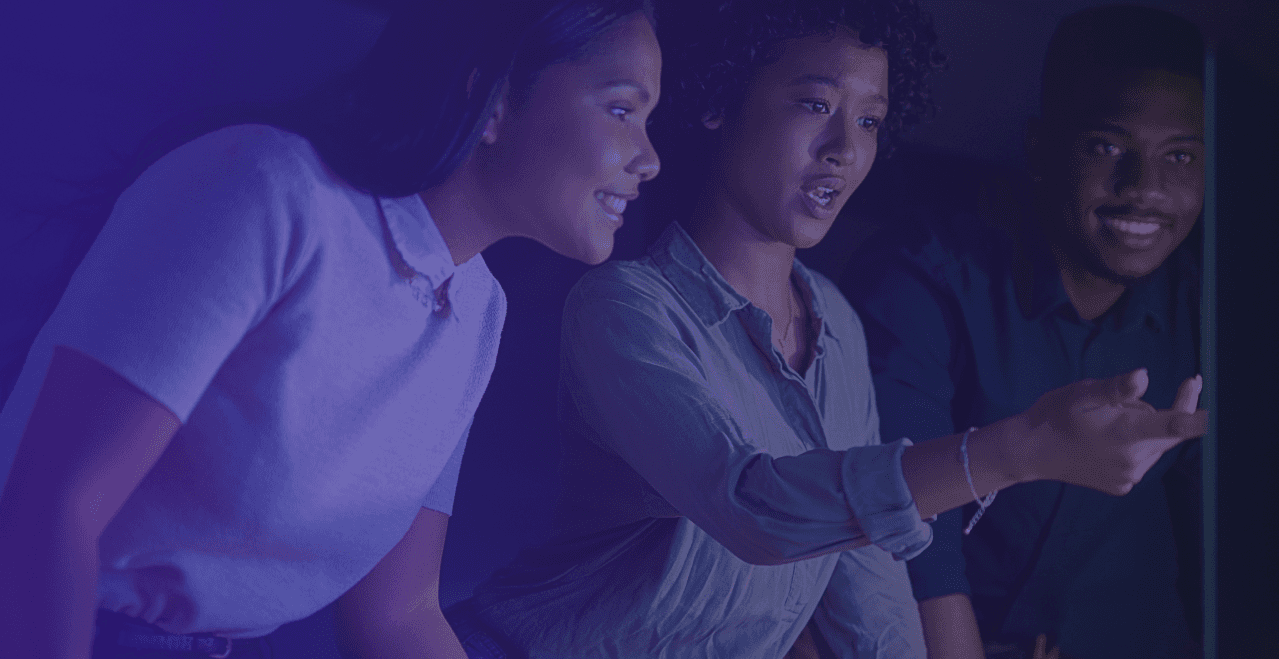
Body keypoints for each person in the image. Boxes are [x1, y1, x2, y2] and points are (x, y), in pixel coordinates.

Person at [0, 1, 660, 658]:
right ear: (492, 98)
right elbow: (49, 511)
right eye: (621, 108)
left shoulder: (476, 310)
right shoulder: (267, 191)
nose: (649, 158)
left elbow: (398, 614)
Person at [444, 1, 1205, 657]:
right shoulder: (624, 306)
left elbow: (866, 592)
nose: (845, 147)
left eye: (869, 119)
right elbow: (752, 505)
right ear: (722, 98)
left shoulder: (835, 321)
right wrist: (1015, 449)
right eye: (815, 104)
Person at [841, 6, 1208, 659]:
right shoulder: (925, 277)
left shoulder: (1209, 312)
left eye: (1179, 155)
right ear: (1040, 149)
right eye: (1106, 147)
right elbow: (908, 525)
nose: (1143, 188)